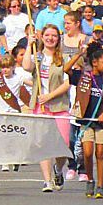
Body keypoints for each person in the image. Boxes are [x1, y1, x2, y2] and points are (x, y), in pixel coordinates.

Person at [21, 24, 73, 192]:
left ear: (58, 39)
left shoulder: (63, 58)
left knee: (63, 144)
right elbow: (26, 67)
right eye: (47, 35)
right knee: (43, 144)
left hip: (59, 105)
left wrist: (49, 96)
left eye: (54, 36)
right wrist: (29, 45)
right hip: (40, 107)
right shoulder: (38, 56)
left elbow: (67, 83)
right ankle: (47, 180)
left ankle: (58, 169)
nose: (50, 38)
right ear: (42, 37)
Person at [75, 46, 103, 198]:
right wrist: (78, 55)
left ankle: (100, 185)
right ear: (95, 62)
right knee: (88, 152)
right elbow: (66, 70)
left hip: (101, 122)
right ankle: (90, 179)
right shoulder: (84, 77)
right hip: (87, 121)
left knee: (100, 153)